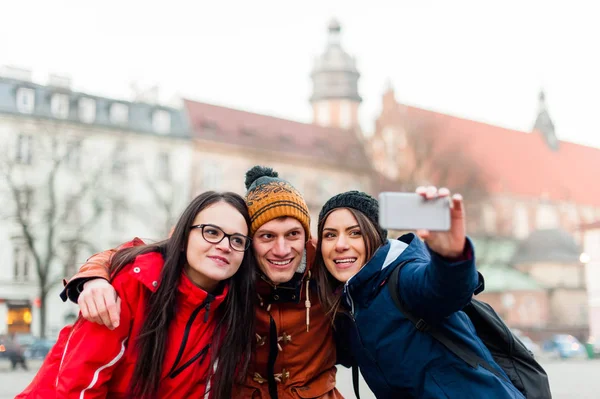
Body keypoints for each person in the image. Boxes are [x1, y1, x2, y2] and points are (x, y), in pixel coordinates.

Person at [58, 166, 343, 399]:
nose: (282, 250)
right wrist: (93, 277)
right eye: (267, 236)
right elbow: (138, 254)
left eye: (293, 234)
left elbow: (364, 259)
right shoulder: (230, 276)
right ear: (250, 242)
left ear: (305, 237)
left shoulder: (325, 266)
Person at [17, 191, 255, 399]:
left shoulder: (229, 312)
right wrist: (92, 277)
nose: (225, 245)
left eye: (237, 240)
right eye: (211, 232)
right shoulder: (133, 283)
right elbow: (79, 385)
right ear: (182, 239)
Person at [313, 187, 526, 398]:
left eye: (355, 233)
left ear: (377, 237)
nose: (340, 244)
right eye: (330, 235)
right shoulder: (349, 306)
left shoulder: (404, 278)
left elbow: (446, 289)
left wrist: (452, 257)